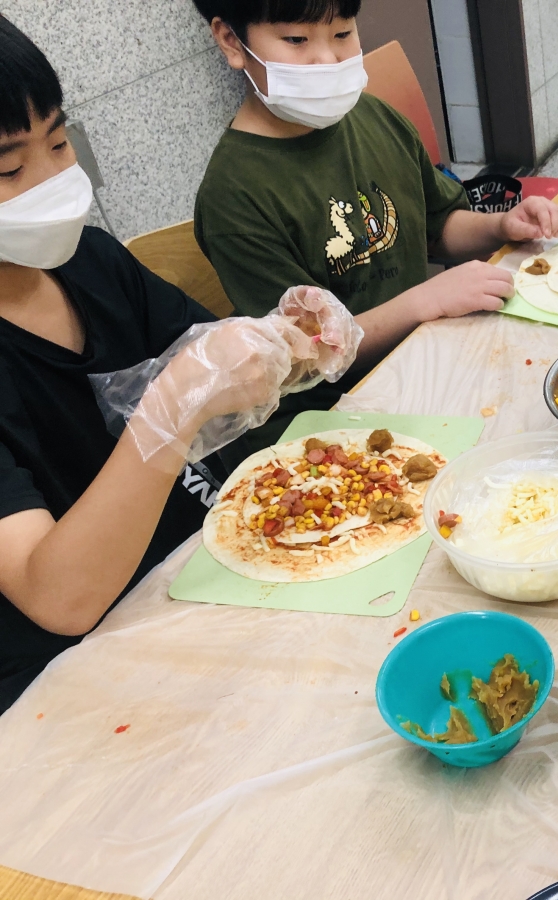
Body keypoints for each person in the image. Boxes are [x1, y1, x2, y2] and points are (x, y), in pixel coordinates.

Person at [0, 19, 323, 714]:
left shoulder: (91, 261)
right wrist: (173, 405)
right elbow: (58, 599)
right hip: (74, 678)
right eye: (9, 170)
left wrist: (285, 341)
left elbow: (214, 362)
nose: (54, 181)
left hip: (207, 572)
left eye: (58, 142)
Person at [191, 0, 558, 458]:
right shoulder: (233, 194)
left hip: (417, 362)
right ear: (231, 41)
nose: (327, 59)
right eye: (296, 40)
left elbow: (436, 226)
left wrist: (500, 225)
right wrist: (425, 301)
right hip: (322, 420)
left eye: (342, 34)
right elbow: (306, 354)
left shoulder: (375, 119)